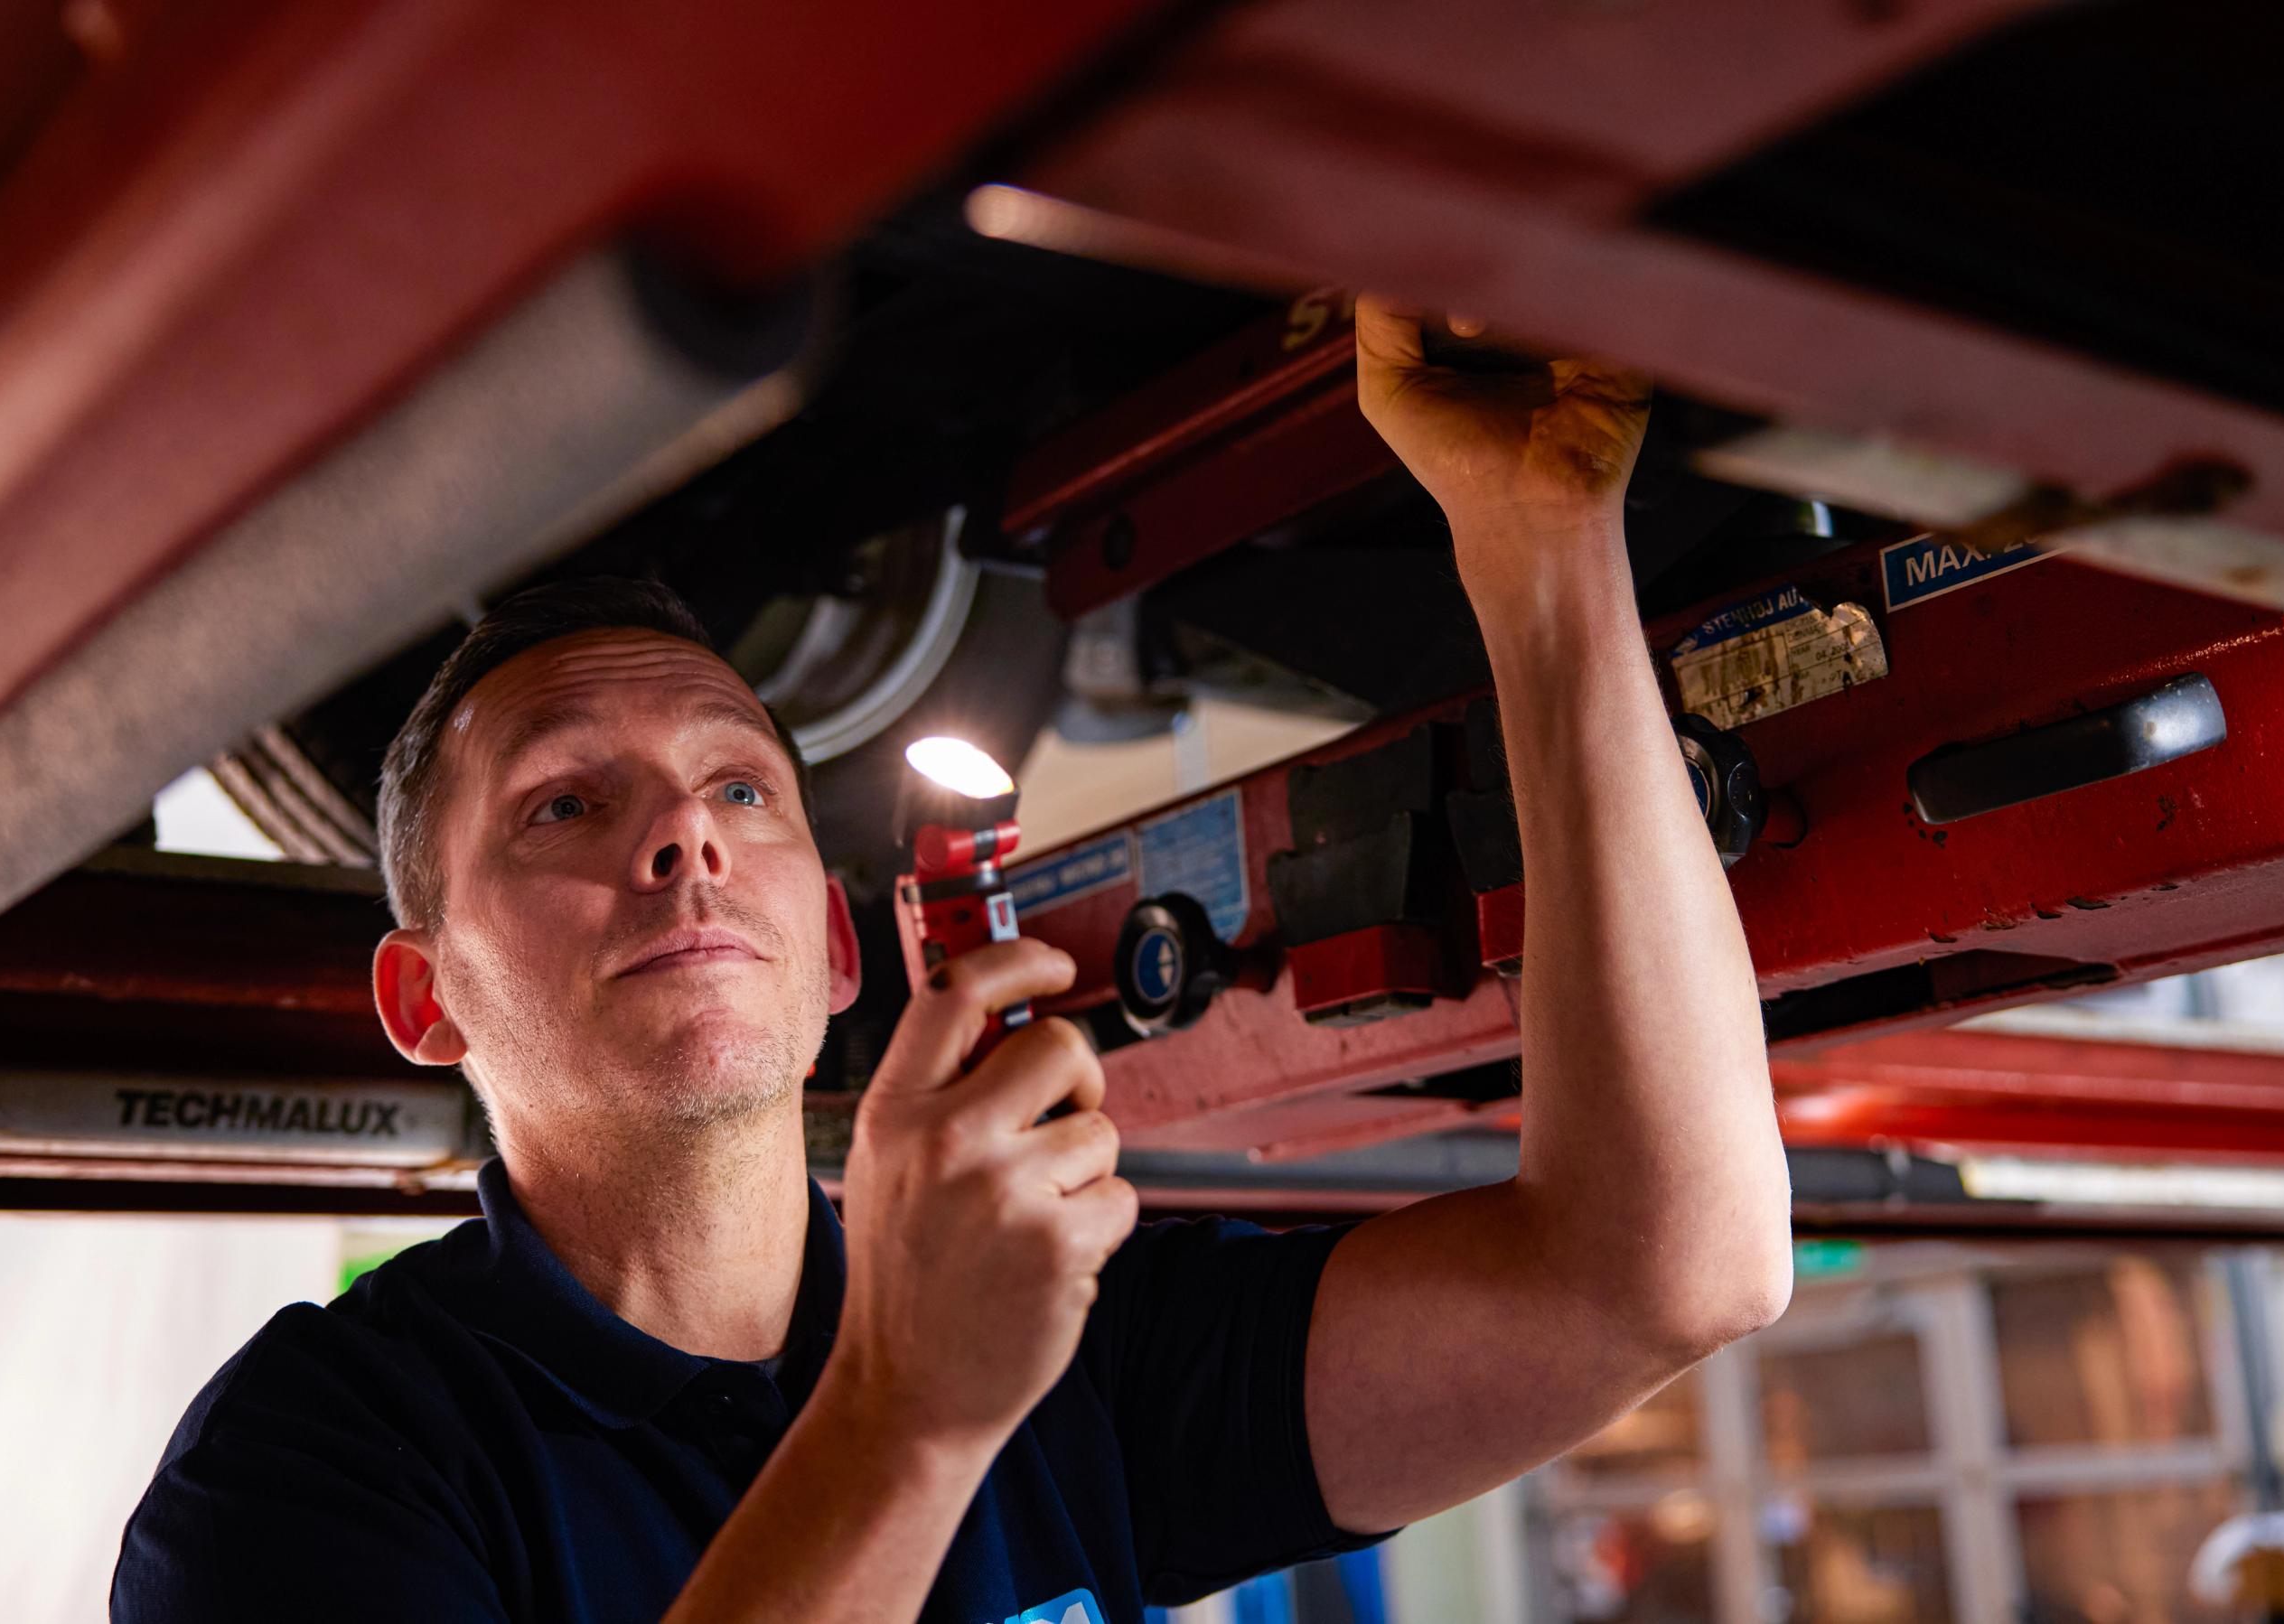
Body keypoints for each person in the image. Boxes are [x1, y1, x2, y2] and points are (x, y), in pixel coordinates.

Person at [111, 296, 1792, 1622]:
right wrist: (912, 1413)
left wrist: (1543, 542)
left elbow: (1666, 1267)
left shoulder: (1066, 1342)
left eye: (742, 786)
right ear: (427, 998)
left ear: (840, 947)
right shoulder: (314, 1468)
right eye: (564, 803)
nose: (684, 836)